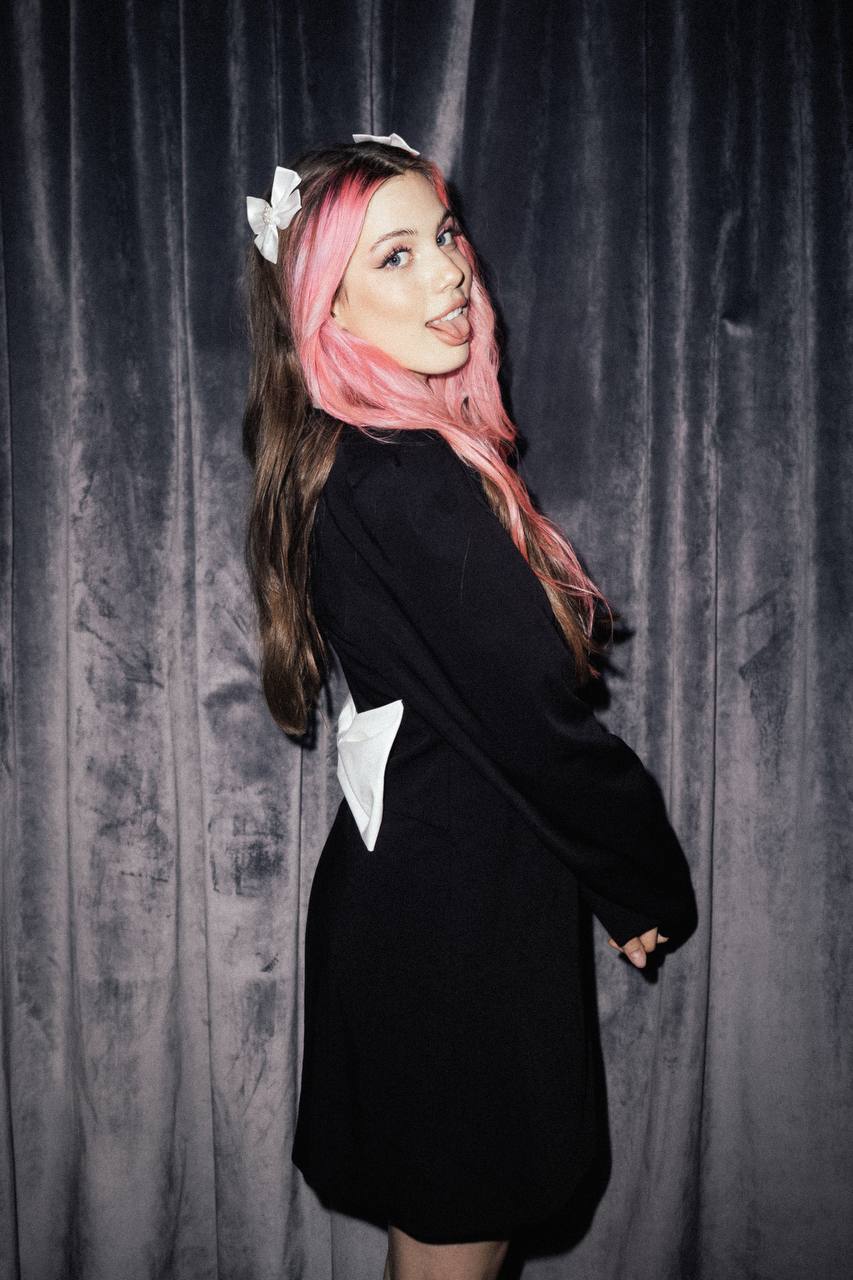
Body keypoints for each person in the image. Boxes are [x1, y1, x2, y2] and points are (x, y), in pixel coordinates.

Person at [241, 134, 698, 1280]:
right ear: (327, 311)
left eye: (442, 235)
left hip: (433, 905)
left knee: (451, 1244)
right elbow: (535, 722)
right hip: (453, 930)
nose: (448, 269)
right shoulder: (403, 478)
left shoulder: (353, 463)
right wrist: (636, 873)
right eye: (393, 256)